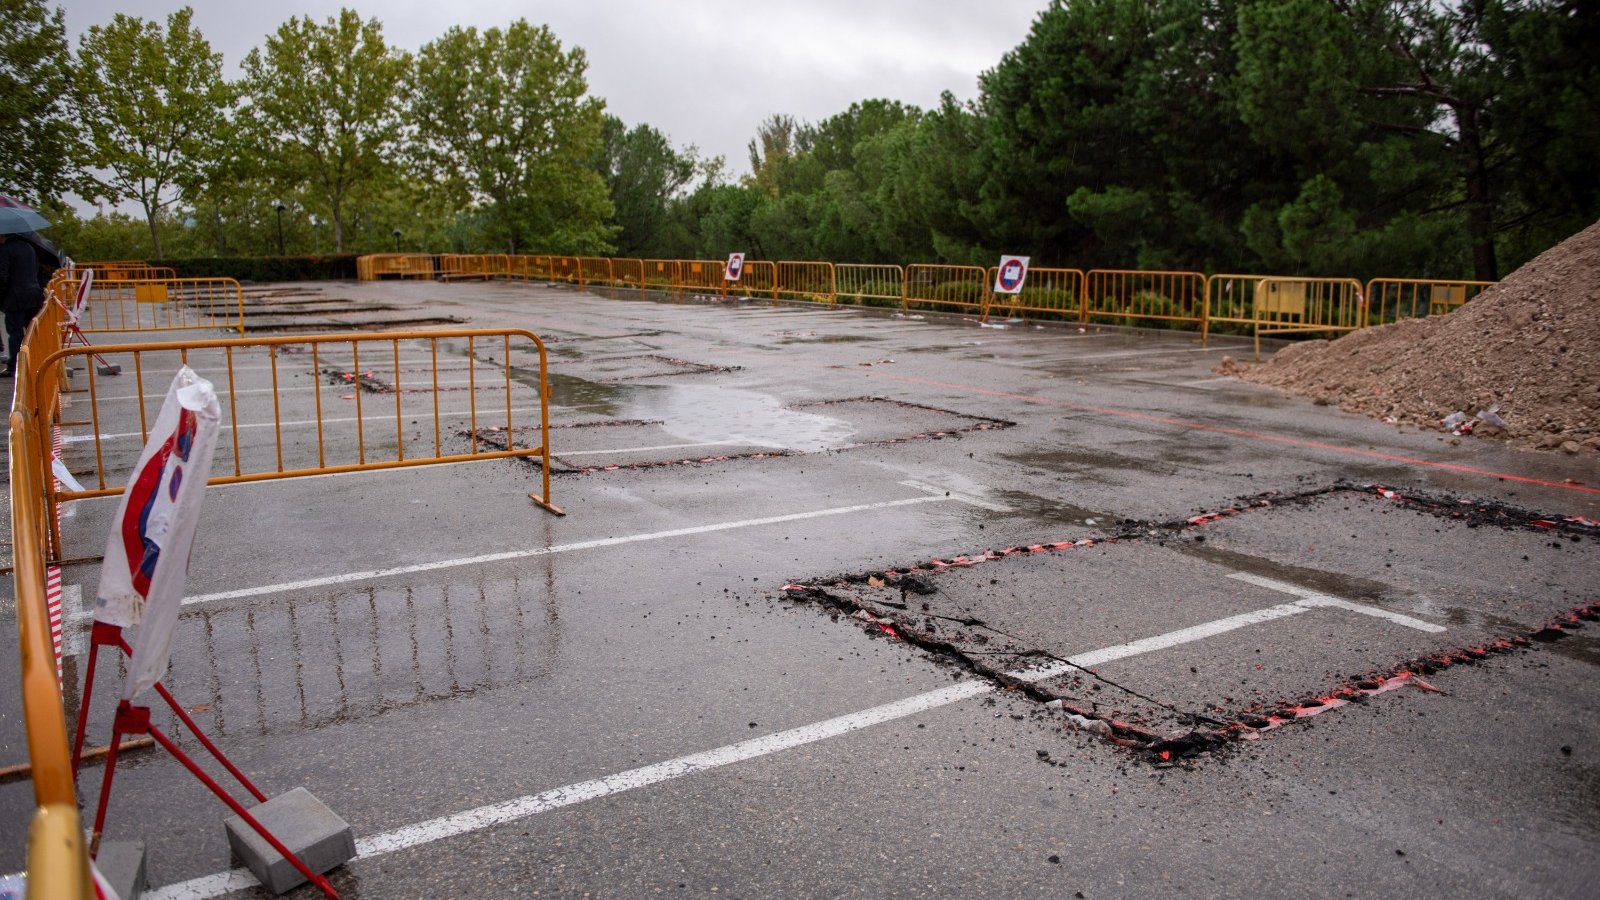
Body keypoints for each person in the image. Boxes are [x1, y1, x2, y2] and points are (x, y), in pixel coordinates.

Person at [0, 233, 45, 377]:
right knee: (32, 331)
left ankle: (15, 365)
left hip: (15, 298)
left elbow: (2, 276)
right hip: (34, 295)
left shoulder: (5, 249)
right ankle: (37, 361)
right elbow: (38, 271)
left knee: (15, 332)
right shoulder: (28, 247)